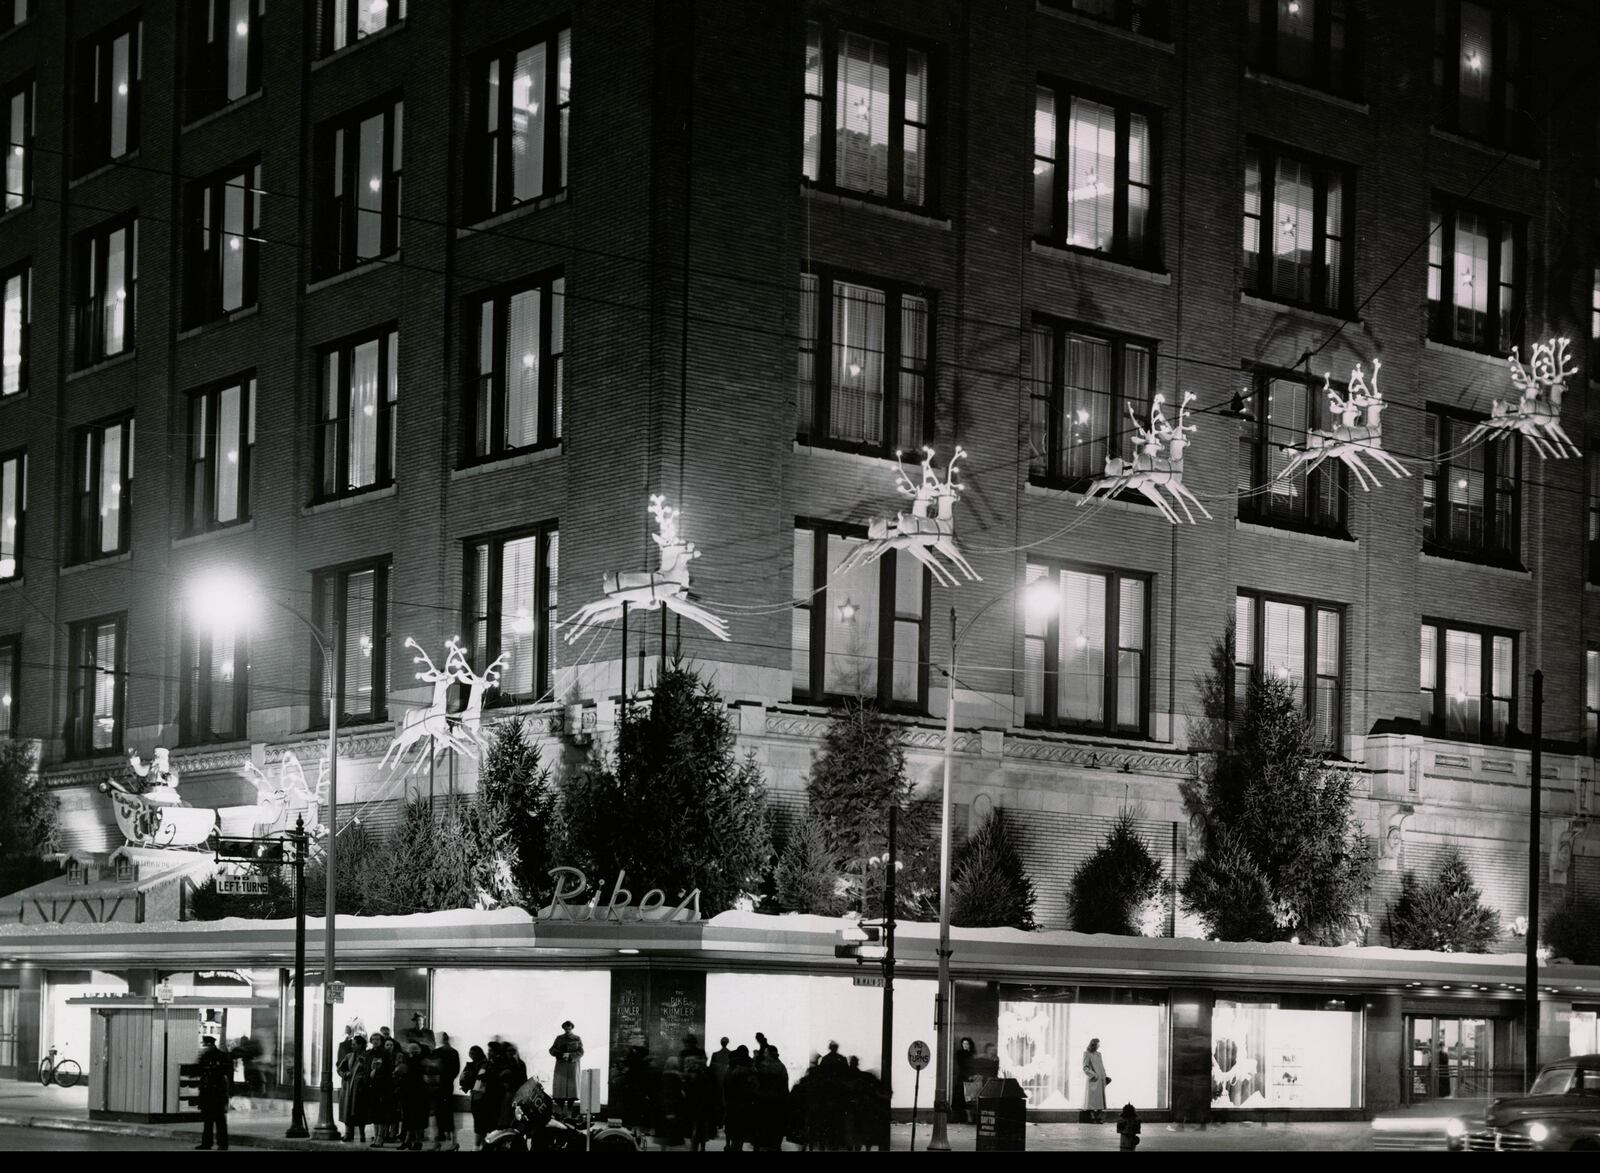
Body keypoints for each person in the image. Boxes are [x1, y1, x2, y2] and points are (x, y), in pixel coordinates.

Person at [195, 1035, 231, 1150]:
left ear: (209, 1045)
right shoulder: (219, 1056)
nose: (203, 1047)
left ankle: (211, 1143)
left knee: (213, 1120)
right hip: (215, 1092)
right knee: (215, 1119)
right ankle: (219, 1144)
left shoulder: (210, 1056)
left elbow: (197, 1070)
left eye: (204, 1045)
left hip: (213, 1092)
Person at [722, 1046, 759, 1152]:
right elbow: (754, 1088)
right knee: (741, 1135)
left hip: (731, 1105)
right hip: (746, 1106)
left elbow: (725, 1087)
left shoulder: (730, 1069)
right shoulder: (750, 1069)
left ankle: (730, 1146)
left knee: (734, 1134)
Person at [754, 1044, 790, 1151]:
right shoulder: (781, 1066)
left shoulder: (764, 1066)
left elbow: (757, 1080)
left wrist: (755, 1059)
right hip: (778, 1102)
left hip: (765, 1101)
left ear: (769, 1054)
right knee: (776, 1129)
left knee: (764, 1129)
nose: (764, 1054)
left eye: (765, 1053)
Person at [461, 1044, 495, 1148]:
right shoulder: (481, 1064)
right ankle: (481, 1145)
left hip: (479, 1098)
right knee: (481, 1125)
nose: (470, 1056)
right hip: (479, 1097)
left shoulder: (483, 1065)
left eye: (472, 1054)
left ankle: (477, 1146)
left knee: (479, 1125)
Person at [432, 1031, 461, 1150]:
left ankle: (440, 1138)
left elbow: (432, 1068)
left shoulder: (437, 1052)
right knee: (446, 1112)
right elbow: (456, 1069)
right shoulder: (453, 1052)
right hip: (446, 1085)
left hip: (441, 1085)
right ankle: (449, 1137)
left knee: (440, 1112)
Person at [339, 1034, 370, 1143]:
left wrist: (362, 1076)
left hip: (360, 1088)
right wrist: (345, 1074)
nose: (352, 1046)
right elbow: (340, 1069)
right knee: (347, 1110)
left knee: (360, 1111)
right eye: (352, 1044)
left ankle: (362, 1135)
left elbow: (369, 1070)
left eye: (354, 1044)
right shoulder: (348, 1056)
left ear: (360, 1045)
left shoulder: (366, 1056)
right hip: (348, 1087)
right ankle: (348, 1133)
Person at [549, 1020, 583, 1111]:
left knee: (572, 1089)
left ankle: (569, 1111)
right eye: (565, 1027)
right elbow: (551, 1050)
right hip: (561, 1067)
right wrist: (561, 1054)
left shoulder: (577, 1038)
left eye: (569, 1027)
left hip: (572, 1066)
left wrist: (571, 1055)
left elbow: (581, 1052)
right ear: (563, 1028)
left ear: (572, 1027)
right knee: (561, 1088)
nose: (567, 1029)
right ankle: (560, 1111)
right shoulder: (559, 1038)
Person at [1083, 1037, 1109, 1124]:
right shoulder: (1087, 1054)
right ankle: (1093, 1118)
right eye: (1098, 1043)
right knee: (1092, 1101)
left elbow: (1101, 1066)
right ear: (1094, 1044)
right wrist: (1094, 1075)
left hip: (1100, 1080)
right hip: (1094, 1080)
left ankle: (1098, 1117)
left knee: (1100, 1100)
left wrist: (1105, 1076)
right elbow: (1085, 1067)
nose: (1099, 1045)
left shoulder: (1099, 1054)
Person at [953, 1037, 976, 1124]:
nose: (965, 1045)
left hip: (970, 1077)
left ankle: (969, 1118)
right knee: (961, 1096)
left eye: (967, 1044)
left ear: (970, 1045)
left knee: (969, 1097)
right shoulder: (960, 1053)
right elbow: (962, 1064)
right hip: (963, 1076)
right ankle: (960, 1117)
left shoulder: (972, 1053)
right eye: (964, 1044)